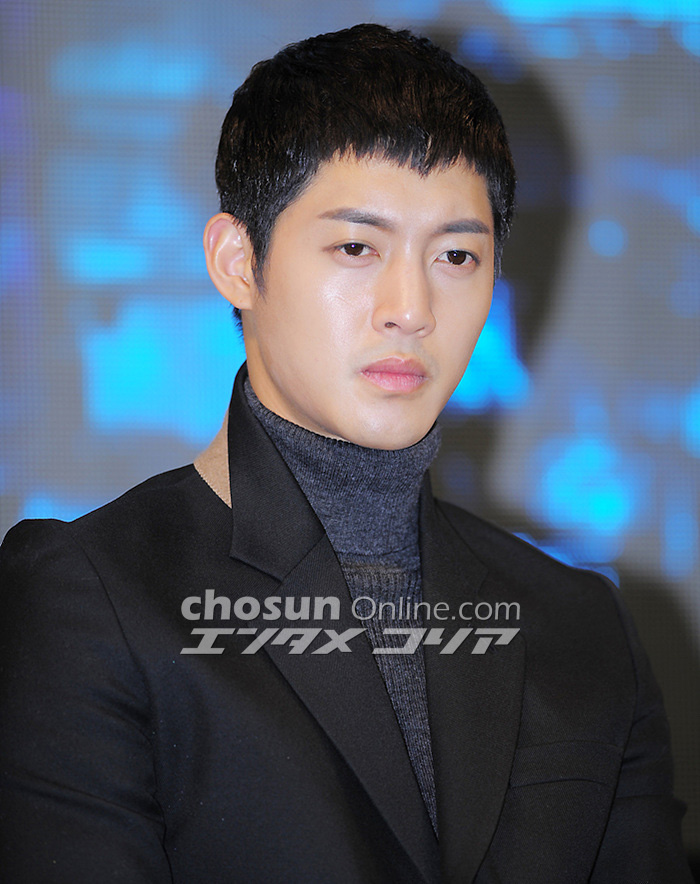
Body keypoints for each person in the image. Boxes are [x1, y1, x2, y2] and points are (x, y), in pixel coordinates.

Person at [0, 23, 692, 884]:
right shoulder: (91, 600)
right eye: (357, 247)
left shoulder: (583, 628)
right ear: (237, 261)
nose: (412, 308)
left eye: (457, 255)